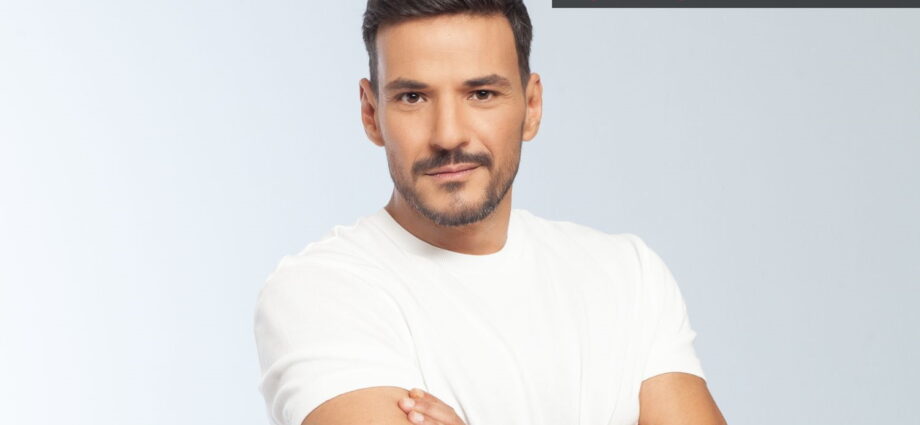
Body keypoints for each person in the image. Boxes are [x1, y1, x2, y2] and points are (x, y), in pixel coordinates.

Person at [253, 1, 728, 425]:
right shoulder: (322, 291)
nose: (448, 135)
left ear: (532, 106)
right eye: (413, 97)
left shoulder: (627, 276)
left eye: (480, 93)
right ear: (371, 113)